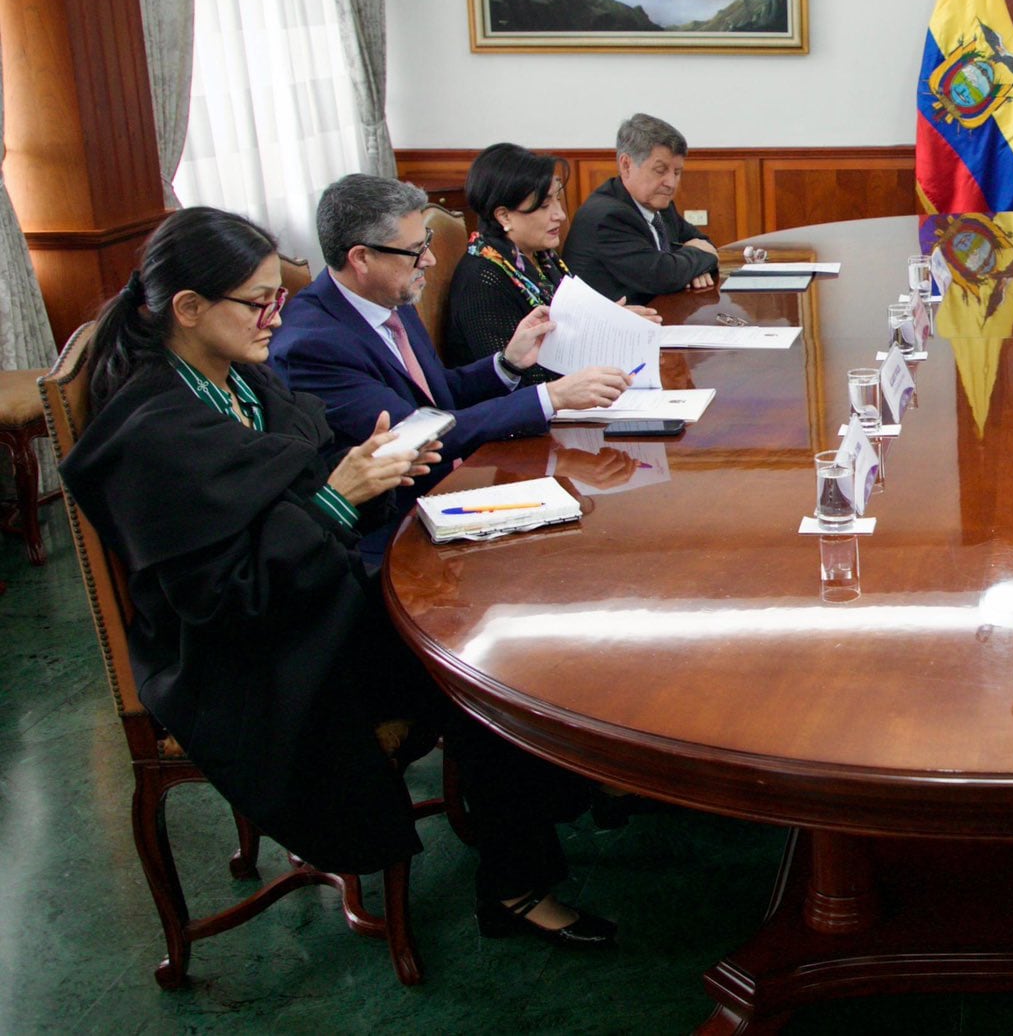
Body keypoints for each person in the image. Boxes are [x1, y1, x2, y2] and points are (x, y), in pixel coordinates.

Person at [60, 207, 617, 947]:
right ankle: (516, 885)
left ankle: (571, 788)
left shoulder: (236, 377)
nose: (275, 318)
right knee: (483, 669)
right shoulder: (151, 431)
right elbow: (222, 596)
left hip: (310, 598)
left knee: (497, 621)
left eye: (277, 298)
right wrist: (337, 499)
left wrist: (378, 473)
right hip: (245, 658)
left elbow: (304, 473)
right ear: (188, 309)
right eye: (258, 303)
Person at [271, 174, 629, 569]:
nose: (429, 259)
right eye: (415, 250)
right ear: (361, 258)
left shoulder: (390, 297)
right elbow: (420, 434)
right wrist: (551, 396)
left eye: (425, 242)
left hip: (450, 492)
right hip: (393, 532)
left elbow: (435, 394)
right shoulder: (313, 346)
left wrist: (507, 363)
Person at [444, 142, 658, 371]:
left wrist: (610, 323)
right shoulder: (483, 280)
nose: (560, 215)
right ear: (504, 216)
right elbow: (515, 376)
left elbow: (567, 327)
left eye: (557, 199)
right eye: (545, 205)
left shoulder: (541, 256)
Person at [561, 113, 720, 303]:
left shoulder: (660, 205)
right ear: (626, 165)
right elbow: (663, 276)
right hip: (614, 319)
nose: (671, 183)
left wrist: (690, 268)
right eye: (660, 170)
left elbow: (703, 242)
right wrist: (694, 263)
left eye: (677, 172)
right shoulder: (607, 217)